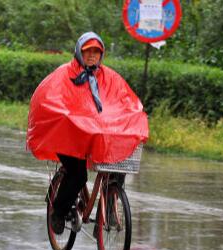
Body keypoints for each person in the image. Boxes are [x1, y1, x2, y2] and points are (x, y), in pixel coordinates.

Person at [27, 32, 149, 234]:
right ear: (79, 52)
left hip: (96, 135)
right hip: (68, 137)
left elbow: (124, 102)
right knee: (78, 175)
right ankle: (58, 212)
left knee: (118, 168)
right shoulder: (64, 74)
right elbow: (49, 100)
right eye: (87, 51)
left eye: (96, 52)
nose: (92, 56)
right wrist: (70, 118)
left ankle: (106, 215)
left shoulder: (110, 77)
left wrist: (134, 118)